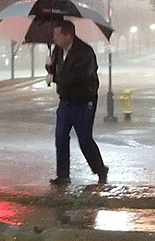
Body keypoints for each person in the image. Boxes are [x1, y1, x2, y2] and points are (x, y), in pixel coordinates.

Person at [45, 20, 108, 185]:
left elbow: (79, 76)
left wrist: (55, 77)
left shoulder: (85, 52)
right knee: (60, 137)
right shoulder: (58, 50)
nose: (55, 37)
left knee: (84, 139)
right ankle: (63, 175)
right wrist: (49, 66)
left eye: (58, 34)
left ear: (68, 35)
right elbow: (57, 70)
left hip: (83, 101)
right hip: (65, 100)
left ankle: (100, 169)